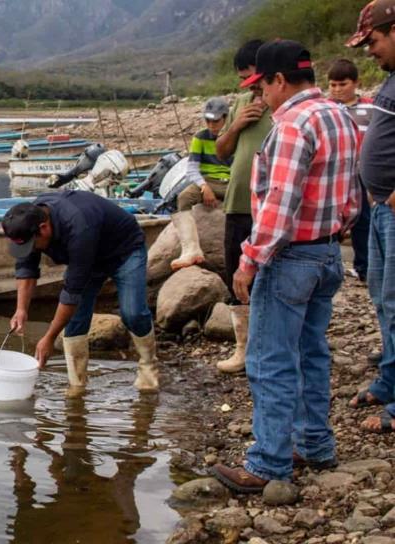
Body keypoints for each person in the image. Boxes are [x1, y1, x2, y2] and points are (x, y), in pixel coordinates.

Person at [211, 40, 361, 493]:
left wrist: (250, 260)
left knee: (270, 360)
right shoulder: (341, 115)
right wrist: (337, 229)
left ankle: (268, 463)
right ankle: (314, 443)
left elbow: (279, 201)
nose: (262, 97)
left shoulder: (293, 123)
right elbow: (352, 192)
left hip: (290, 255)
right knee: (311, 352)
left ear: (280, 80)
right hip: (327, 250)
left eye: (264, 86)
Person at [2, 192, 158, 397]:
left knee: (133, 313)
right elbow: (27, 269)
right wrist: (21, 310)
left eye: (31, 244)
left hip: (124, 251)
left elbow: (72, 293)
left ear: (44, 228)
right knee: (75, 321)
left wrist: (49, 338)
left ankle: (148, 368)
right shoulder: (29, 220)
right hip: (86, 258)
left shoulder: (78, 226)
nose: (30, 249)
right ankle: (77, 384)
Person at [346, 0, 395, 434]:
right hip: (379, 208)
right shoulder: (391, 80)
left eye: (374, 41)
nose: (370, 52)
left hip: (392, 209)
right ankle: (391, 378)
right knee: (383, 298)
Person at [213, 39, 274, 375]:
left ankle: (268, 347)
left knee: (269, 274)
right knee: (234, 273)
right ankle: (242, 349)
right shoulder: (239, 104)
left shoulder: (284, 106)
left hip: (269, 206)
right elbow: (221, 151)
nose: (249, 86)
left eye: (252, 78)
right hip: (237, 202)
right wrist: (236, 125)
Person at [170, 97, 233, 270]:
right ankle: (191, 249)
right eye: (208, 120)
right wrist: (204, 186)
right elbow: (192, 169)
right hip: (209, 182)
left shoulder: (234, 136)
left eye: (216, 121)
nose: (212, 125)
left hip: (232, 183)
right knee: (184, 198)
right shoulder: (200, 137)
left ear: (226, 118)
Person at [328, 58, 375, 281]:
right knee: (333, 220)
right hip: (335, 176)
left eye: (343, 84)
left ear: (356, 83)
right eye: (333, 85)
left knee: (363, 220)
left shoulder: (369, 108)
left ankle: (364, 267)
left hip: (361, 175)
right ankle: (331, 265)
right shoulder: (326, 109)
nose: (337, 90)